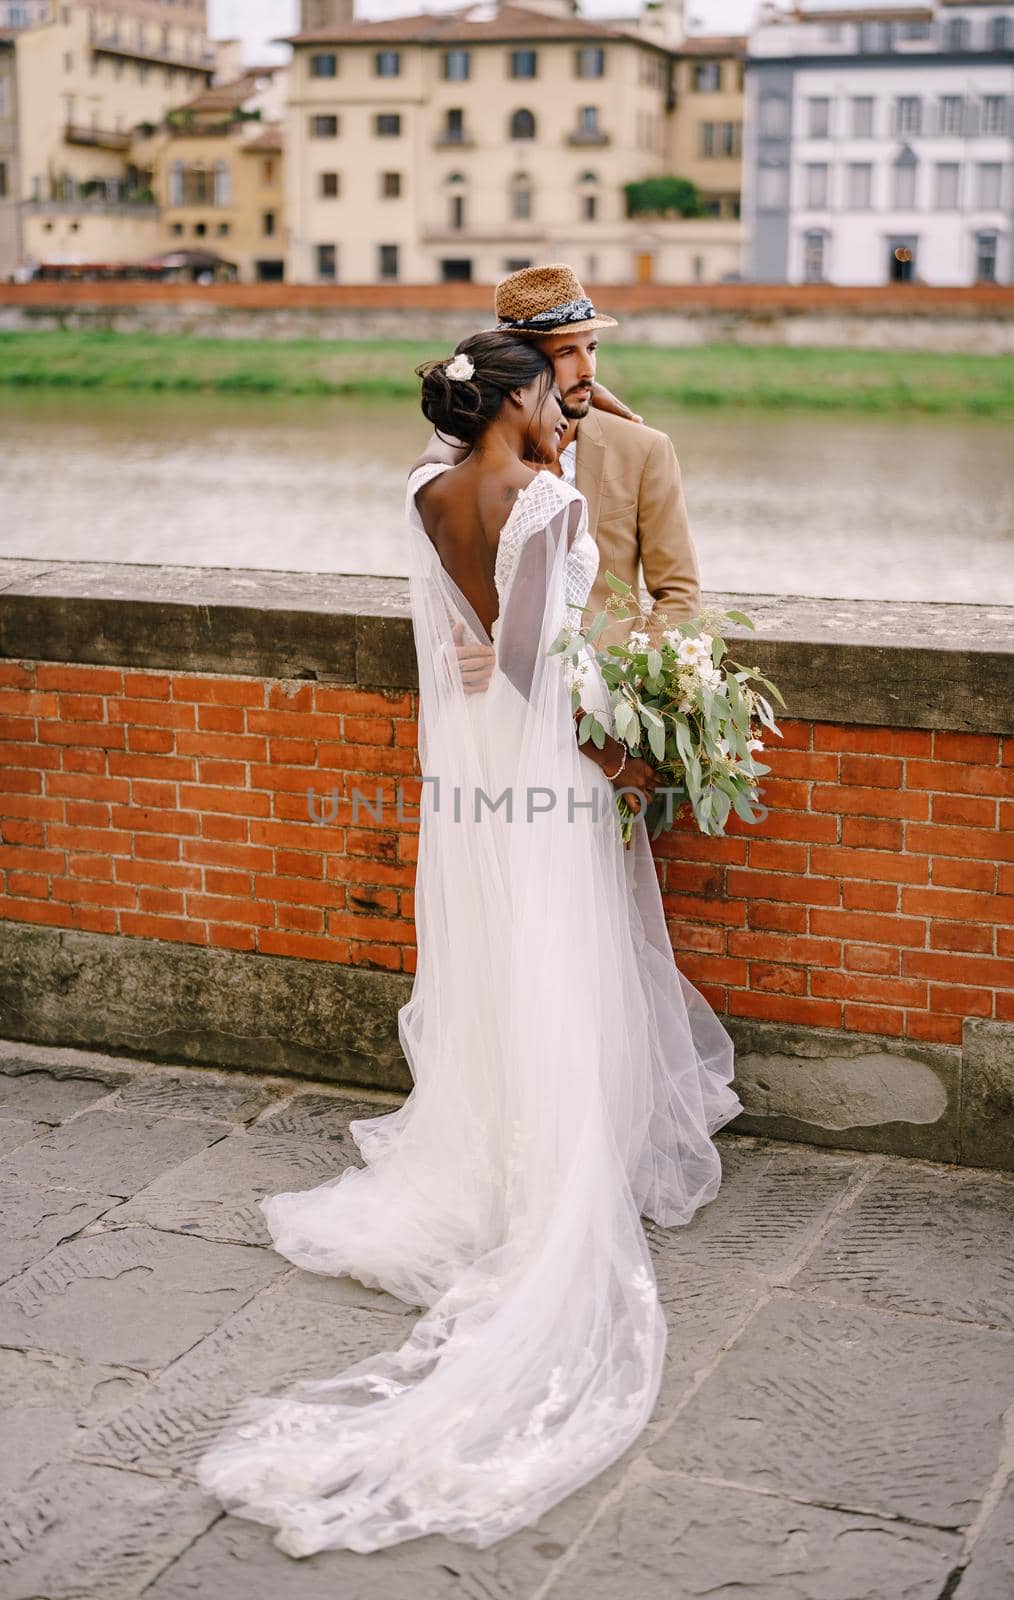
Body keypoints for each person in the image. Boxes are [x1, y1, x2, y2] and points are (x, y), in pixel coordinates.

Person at [195, 331, 743, 1558]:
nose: (576, 404)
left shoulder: (424, 486)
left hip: (470, 760)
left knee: (496, 953)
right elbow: (537, 662)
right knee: (554, 951)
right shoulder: (541, 497)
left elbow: (469, 635)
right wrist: (620, 740)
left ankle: (489, 1161)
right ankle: (546, 1183)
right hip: (536, 751)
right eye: (559, 390)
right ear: (515, 399)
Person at [422, 263, 704, 695]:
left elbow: (678, 593)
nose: (588, 368)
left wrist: (639, 694)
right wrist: (451, 649)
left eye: (592, 348)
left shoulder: (645, 450)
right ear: (523, 366)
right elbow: (445, 580)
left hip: (606, 698)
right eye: (567, 353)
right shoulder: (470, 458)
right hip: (501, 697)